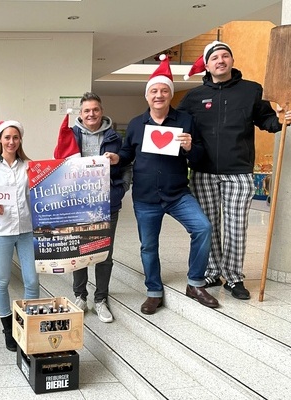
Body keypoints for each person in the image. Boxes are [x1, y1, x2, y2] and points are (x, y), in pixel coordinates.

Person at [104, 55, 219, 315]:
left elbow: (199, 155)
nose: (159, 95)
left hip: (178, 194)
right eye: (154, 91)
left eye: (164, 90)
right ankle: (153, 291)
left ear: (170, 95)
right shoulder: (135, 124)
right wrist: (115, 159)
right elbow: (126, 155)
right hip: (145, 198)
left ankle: (195, 283)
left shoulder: (185, 121)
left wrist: (190, 148)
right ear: (147, 96)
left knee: (202, 228)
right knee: (148, 245)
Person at [178, 41, 291, 300]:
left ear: (231, 60)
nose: (220, 60)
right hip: (203, 172)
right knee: (209, 226)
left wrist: (280, 121)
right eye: (215, 57)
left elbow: (266, 120)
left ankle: (234, 277)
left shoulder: (251, 90)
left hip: (238, 172)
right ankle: (212, 271)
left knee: (236, 226)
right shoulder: (193, 97)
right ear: (207, 65)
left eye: (225, 56)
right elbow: (178, 125)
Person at [53, 92, 132, 323]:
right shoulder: (70, 135)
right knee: (80, 251)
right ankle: (80, 296)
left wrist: (122, 188)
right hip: (78, 205)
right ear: (81, 113)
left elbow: (127, 164)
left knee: (104, 254)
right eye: (87, 110)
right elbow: (59, 165)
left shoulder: (115, 137)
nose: (91, 114)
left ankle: (101, 299)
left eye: (95, 110)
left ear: (102, 111)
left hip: (107, 204)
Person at [0, 120, 40, 351]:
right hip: (0, 231)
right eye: (7, 137)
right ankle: (7, 328)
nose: (11, 141)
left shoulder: (29, 166)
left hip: (26, 230)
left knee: (32, 280)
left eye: (15, 137)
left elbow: (36, 194)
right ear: (0, 140)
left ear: (20, 139)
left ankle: (31, 323)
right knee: (2, 281)